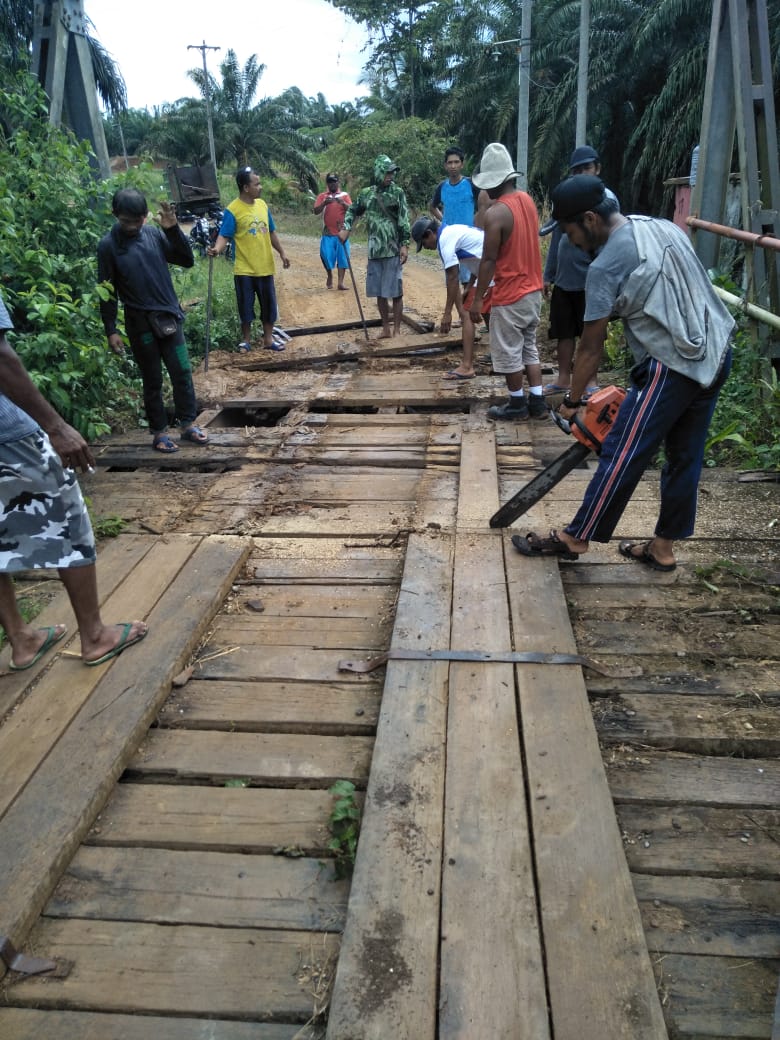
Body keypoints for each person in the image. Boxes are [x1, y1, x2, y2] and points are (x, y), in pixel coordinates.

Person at [513, 175, 734, 572]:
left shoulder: (604, 267)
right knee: (685, 457)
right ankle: (662, 547)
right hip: (717, 350)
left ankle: (576, 537)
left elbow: (590, 348)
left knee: (623, 451)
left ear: (590, 219)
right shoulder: (659, 225)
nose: (570, 242)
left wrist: (572, 403)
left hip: (672, 365)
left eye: (569, 232)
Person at [0, 293, 148, 669]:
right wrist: (55, 425)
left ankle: (22, 639)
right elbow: (1, 356)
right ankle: (95, 636)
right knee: (68, 520)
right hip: (8, 436)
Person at [98, 188, 208, 455]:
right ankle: (159, 432)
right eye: (127, 222)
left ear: (145, 217)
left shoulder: (153, 234)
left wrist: (172, 231)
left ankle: (187, 425)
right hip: (140, 324)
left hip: (169, 317)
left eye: (138, 220)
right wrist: (111, 329)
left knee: (182, 372)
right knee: (152, 379)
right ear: (115, 216)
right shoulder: (108, 246)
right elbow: (106, 291)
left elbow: (186, 261)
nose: (133, 227)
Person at [470, 143, 547, 421]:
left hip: (511, 293)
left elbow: (488, 260)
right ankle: (537, 402)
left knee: (508, 352)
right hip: (533, 290)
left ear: (493, 183)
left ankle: (516, 404)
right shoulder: (527, 201)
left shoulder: (497, 213)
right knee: (529, 346)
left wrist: (478, 300)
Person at [543, 145, 618, 398]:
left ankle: (590, 381)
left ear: (597, 168)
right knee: (563, 330)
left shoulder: (605, 200)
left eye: (586, 168)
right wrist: (548, 274)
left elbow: (610, 243)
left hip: (591, 280)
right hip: (565, 278)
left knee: (592, 333)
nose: (581, 173)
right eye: (576, 170)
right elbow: (555, 238)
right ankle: (564, 378)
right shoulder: (568, 196)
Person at [209, 167, 291, 353]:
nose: (260, 187)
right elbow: (225, 235)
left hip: (265, 266)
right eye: (257, 184)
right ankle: (245, 340)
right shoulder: (233, 210)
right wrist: (216, 249)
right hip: (244, 269)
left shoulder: (262, 205)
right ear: (246, 187)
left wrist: (282, 253)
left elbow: (271, 232)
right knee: (245, 306)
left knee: (268, 306)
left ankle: (268, 340)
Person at [338, 155, 411, 339]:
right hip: (374, 251)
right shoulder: (366, 194)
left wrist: (404, 244)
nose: (390, 176)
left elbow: (404, 220)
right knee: (379, 292)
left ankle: (396, 331)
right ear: (378, 172)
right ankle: (386, 328)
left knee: (396, 291)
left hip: (392, 249)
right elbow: (352, 210)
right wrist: (346, 228)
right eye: (387, 172)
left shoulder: (397, 193)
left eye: (392, 172)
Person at [412, 216, 486, 380]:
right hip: (490, 269)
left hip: (494, 270)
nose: (426, 248)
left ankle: (467, 366)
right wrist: (469, 287)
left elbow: (452, 277)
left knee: (467, 314)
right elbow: (477, 256)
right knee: (485, 313)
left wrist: (447, 313)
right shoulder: (452, 231)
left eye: (424, 244)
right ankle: (501, 356)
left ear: (430, 234)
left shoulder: (445, 240)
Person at [429, 146, 480, 287]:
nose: (453, 166)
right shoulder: (442, 187)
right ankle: (457, 309)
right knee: (451, 279)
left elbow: (484, 204)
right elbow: (432, 206)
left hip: (467, 241)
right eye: (450, 163)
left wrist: (476, 221)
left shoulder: (470, 184)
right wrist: (443, 220)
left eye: (456, 162)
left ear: (462, 164)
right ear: (445, 165)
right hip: (448, 240)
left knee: (468, 280)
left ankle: (468, 308)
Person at [313, 173, 352, 290]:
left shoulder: (344, 195)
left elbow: (352, 210)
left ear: (338, 182)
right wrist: (324, 203)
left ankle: (340, 282)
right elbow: (315, 211)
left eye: (334, 181)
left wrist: (343, 203)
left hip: (342, 231)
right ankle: (329, 274)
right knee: (324, 255)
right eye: (330, 182)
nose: (332, 184)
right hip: (328, 231)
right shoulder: (323, 196)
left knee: (343, 257)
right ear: (327, 183)